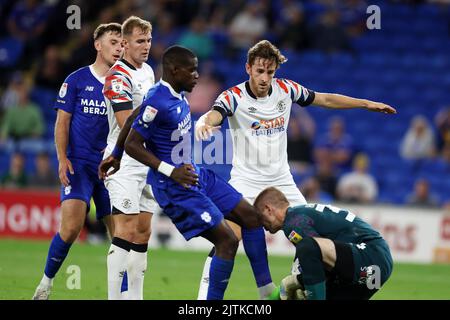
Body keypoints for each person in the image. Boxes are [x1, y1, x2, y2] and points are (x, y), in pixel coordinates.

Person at [194, 39, 396, 299]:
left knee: (315, 242)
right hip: (245, 181)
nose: (265, 78)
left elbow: (325, 99)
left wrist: (366, 104)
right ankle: (203, 300)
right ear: (248, 68)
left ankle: (302, 293)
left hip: (282, 182)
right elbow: (216, 113)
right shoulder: (234, 96)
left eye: (270, 72)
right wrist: (206, 123)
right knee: (229, 238)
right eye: (259, 71)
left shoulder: (286, 90)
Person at [100, 45, 274, 300]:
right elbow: (133, 144)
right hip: (174, 187)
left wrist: (115, 154)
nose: (197, 76)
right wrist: (169, 171)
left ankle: (267, 293)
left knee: (251, 216)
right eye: (192, 70)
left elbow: (135, 115)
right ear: (174, 70)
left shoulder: (168, 94)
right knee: (227, 241)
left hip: (194, 174)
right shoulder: (160, 101)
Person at [32, 22, 123, 300]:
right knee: (71, 229)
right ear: (98, 45)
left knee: (120, 237)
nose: (119, 48)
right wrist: (62, 158)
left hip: (111, 168)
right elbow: (62, 122)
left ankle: (121, 294)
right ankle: (45, 284)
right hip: (79, 164)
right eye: (113, 42)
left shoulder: (124, 84)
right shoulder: (76, 80)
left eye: (122, 44)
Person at [254, 187, 393, 300]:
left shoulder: (293, 222)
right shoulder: (301, 214)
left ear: (268, 209)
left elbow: (311, 250)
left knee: (307, 248)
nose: (261, 225)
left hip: (370, 255)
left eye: (260, 218)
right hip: (375, 270)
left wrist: (293, 282)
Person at [101, 16, 156, 300]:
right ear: (124, 43)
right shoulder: (117, 76)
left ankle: (135, 297)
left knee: (143, 232)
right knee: (125, 228)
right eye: (139, 41)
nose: (146, 46)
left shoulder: (147, 71)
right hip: (123, 158)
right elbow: (126, 122)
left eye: (148, 40)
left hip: (148, 159)